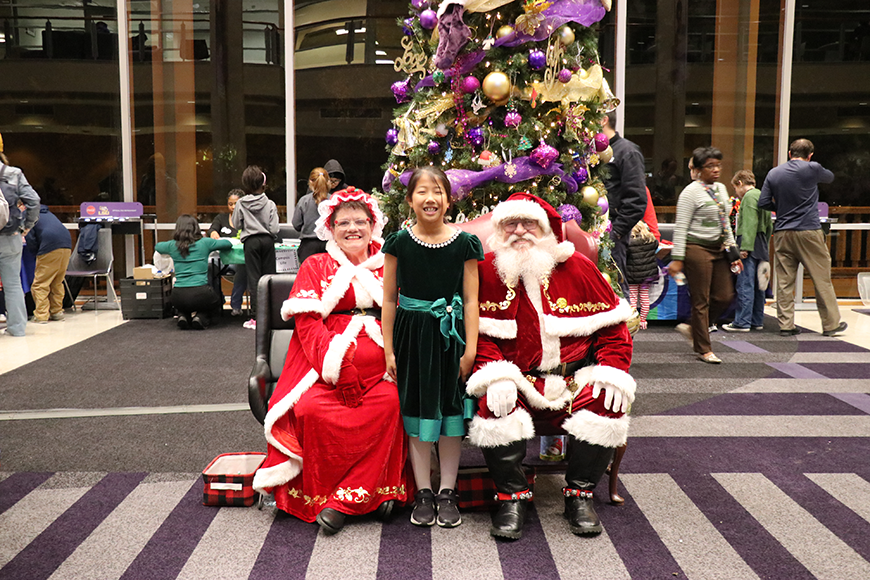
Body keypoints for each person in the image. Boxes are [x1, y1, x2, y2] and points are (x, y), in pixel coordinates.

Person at [464, 192, 634, 540]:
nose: (520, 231)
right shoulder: (486, 272)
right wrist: (495, 375)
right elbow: (479, 336)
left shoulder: (580, 269)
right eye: (511, 223)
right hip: (519, 379)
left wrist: (611, 371)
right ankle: (512, 497)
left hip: (575, 379)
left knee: (605, 399)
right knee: (495, 404)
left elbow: (614, 332)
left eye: (530, 223)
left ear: (546, 229)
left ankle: (580, 494)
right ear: (499, 229)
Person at [252, 188, 412, 534]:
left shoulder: (389, 262)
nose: (352, 228)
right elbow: (307, 325)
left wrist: (395, 360)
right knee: (312, 411)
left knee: (394, 406)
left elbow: (404, 317)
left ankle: (350, 499)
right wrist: (338, 368)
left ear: (373, 225)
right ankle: (355, 498)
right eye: (344, 223)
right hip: (323, 369)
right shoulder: (315, 265)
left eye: (360, 221)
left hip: (382, 368)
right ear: (331, 227)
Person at [382, 166, 483, 528]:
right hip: (412, 336)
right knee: (418, 411)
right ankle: (424, 490)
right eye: (422, 191)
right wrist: (389, 349)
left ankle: (448, 491)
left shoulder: (465, 243)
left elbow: (471, 301)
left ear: (448, 200)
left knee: (450, 414)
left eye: (438, 191)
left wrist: (469, 349)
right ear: (410, 200)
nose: (431, 198)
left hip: (450, 336)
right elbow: (390, 300)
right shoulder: (397, 243)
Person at [758, 139, 846, 337]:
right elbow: (830, 177)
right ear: (810, 155)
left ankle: (786, 325)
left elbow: (763, 203)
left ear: (790, 153)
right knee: (821, 278)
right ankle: (831, 324)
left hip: (782, 232)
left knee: (784, 281)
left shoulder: (774, 173)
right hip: (809, 231)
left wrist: (781, 209)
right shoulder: (812, 168)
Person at [668, 147, 742, 363]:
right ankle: (704, 348)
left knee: (724, 296)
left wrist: (733, 251)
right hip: (696, 247)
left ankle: (693, 327)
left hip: (718, 248)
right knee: (701, 300)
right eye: (710, 166)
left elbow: (725, 222)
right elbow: (680, 227)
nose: (716, 169)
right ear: (699, 169)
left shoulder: (720, 189)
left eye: (718, 165)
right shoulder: (690, 193)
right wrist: (677, 258)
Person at [601, 108, 648, 297]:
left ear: (604, 120)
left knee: (615, 289)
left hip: (612, 234)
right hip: (591, 231)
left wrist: (617, 232)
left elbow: (637, 200)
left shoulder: (627, 152)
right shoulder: (591, 154)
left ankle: (625, 327)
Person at [155, 215, 232, 329]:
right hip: (201, 293)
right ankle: (201, 317)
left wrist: (174, 243)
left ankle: (183, 315)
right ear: (196, 228)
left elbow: (158, 246)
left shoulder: (172, 245)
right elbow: (227, 244)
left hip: (177, 296)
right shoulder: (205, 243)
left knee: (186, 302)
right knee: (215, 301)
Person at [0, 133, 41, 337]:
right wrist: (26, 226)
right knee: (13, 284)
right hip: (10, 236)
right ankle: (16, 329)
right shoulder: (14, 174)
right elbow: (33, 201)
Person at [722, 170, 772, 333]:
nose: (736, 193)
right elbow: (769, 224)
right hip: (762, 242)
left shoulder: (749, 198)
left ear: (740, 183)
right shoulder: (762, 195)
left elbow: (750, 223)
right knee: (759, 285)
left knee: (745, 283)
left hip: (748, 241)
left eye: (735, 188)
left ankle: (742, 322)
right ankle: (756, 320)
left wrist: (744, 248)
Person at [233, 165, 279, 329]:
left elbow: (237, 224)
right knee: (269, 277)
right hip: (267, 241)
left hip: (250, 242)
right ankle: (271, 314)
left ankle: (255, 317)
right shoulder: (270, 203)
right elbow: (274, 229)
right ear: (263, 183)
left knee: (254, 279)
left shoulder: (240, 203)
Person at [24, 205, 72, 323]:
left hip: (49, 247)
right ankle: (57, 312)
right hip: (66, 246)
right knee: (57, 282)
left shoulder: (29, 215)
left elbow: (30, 238)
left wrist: (36, 254)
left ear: (22, 206)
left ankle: (41, 315)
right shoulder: (47, 213)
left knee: (40, 284)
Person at [208, 189, 247, 316]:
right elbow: (212, 230)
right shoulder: (221, 218)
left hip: (238, 259)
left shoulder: (247, 220)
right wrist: (214, 233)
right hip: (221, 257)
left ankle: (236, 305)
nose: (233, 207)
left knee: (242, 269)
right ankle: (216, 302)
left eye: (236, 204)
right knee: (209, 267)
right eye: (230, 204)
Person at [291, 167, 331, 264]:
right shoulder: (333, 201)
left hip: (308, 247)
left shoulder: (304, 201)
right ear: (328, 182)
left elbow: (296, 224)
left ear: (310, 182)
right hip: (329, 246)